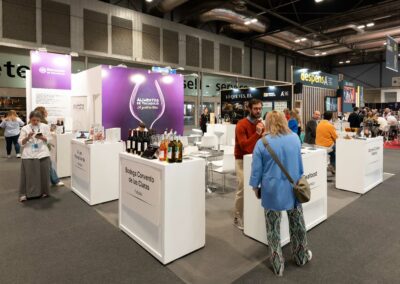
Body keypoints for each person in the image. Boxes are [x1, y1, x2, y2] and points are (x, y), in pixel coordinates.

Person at [250, 111, 312, 277]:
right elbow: (299, 164)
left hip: (272, 191)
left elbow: (256, 170)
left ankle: (278, 266)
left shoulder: (261, 142)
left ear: (267, 122)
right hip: (293, 189)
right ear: (285, 121)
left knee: (273, 229)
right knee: (297, 224)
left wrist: (255, 188)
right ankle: (301, 256)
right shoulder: (294, 138)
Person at [234, 99, 264, 230]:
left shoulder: (260, 123)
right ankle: (237, 217)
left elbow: (262, 142)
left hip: (256, 159)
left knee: (255, 187)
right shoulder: (241, 124)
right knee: (242, 187)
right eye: (255, 108)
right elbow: (245, 147)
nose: (258, 111)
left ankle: (250, 213)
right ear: (249, 109)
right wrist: (257, 133)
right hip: (241, 160)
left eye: (259, 108)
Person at [18, 111, 52, 202]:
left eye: (37, 120)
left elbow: (49, 139)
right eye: (33, 120)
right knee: (28, 175)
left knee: (44, 174)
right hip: (29, 154)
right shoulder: (25, 128)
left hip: (43, 153)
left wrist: (42, 138)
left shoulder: (45, 126)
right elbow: (21, 142)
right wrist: (28, 137)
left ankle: (44, 192)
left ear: (40, 119)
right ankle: (24, 194)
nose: (36, 122)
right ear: (30, 119)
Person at [34, 106, 64, 187]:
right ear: (42, 113)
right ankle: (54, 181)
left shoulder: (42, 122)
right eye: (45, 111)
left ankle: (53, 180)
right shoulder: (40, 123)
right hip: (39, 146)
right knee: (47, 163)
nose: (47, 112)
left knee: (47, 163)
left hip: (39, 146)